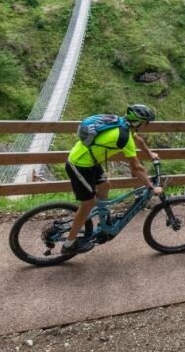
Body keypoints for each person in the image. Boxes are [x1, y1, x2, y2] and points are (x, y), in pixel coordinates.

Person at [62, 103, 161, 255]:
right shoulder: (124, 136)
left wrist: (150, 154)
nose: (147, 125)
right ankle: (69, 245)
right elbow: (136, 168)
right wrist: (151, 187)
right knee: (88, 204)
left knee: (105, 185)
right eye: (146, 122)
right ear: (139, 123)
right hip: (79, 164)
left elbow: (138, 139)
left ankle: (104, 219)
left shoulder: (123, 124)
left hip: (90, 160)